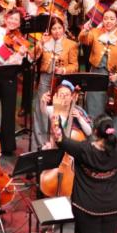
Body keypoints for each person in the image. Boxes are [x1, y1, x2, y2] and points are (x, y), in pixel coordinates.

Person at [49, 100, 117, 233]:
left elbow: (59, 137)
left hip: (87, 207)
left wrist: (57, 111)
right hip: (115, 206)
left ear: (95, 132)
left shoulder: (83, 149)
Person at [0, 6, 32, 154]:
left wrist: (20, 54)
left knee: (8, 111)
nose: (12, 21)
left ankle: (7, 146)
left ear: (19, 23)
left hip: (9, 76)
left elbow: (16, 63)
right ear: (6, 19)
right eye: (10, 18)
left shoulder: (22, 41)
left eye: (16, 19)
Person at [78, 9, 117, 138]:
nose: (108, 21)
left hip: (115, 77)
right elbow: (84, 40)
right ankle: (94, 139)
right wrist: (84, 30)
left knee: (115, 110)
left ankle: (115, 142)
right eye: (106, 18)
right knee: (93, 107)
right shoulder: (95, 33)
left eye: (112, 19)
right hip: (96, 75)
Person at [32, 17, 78, 149]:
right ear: (50, 30)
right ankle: (40, 145)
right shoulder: (45, 42)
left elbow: (74, 66)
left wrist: (63, 69)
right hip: (45, 79)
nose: (57, 31)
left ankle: (59, 144)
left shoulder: (71, 44)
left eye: (59, 28)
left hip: (61, 82)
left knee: (59, 112)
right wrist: (40, 44)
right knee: (41, 111)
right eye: (54, 28)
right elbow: (34, 57)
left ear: (63, 29)